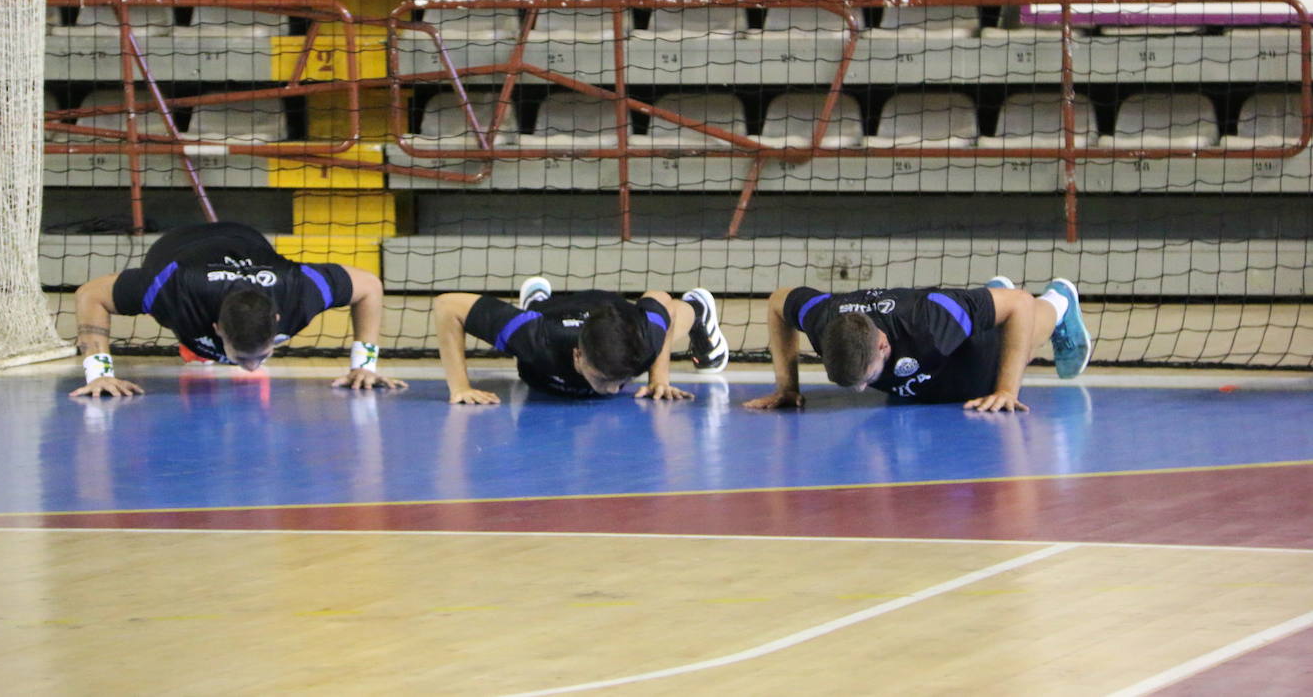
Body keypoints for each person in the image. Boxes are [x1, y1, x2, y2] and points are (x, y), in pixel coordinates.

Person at [70, 221, 406, 397]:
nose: (250, 368)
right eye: (243, 359)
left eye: (260, 356)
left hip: (244, 238)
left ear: (277, 322)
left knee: (214, 352)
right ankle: (196, 347)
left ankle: (202, 350)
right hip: (176, 249)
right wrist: (99, 374)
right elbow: (91, 295)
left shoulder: (298, 288)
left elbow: (369, 287)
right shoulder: (170, 289)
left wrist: (365, 366)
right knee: (197, 343)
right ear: (216, 327)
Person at [745, 276, 1091, 413]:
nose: (863, 389)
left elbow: (1019, 302)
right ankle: (985, 302)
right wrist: (787, 387)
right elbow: (778, 301)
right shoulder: (823, 318)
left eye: (866, 378)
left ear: (882, 344)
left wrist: (1006, 390)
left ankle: (1060, 302)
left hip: (969, 348)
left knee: (1015, 340)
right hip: (936, 357)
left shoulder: (929, 322)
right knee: (980, 311)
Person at [431, 276, 729, 405]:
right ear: (578, 356)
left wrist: (658, 377)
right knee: (527, 321)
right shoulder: (536, 339)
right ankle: (537, 303)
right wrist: (460, 387)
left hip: (616, 312)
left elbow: (659, 298)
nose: (612, 390)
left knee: (675, 314)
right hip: (552, 317)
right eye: (603, 379)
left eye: (620, 380)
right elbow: (447, 306)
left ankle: (699, 308)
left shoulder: (643, 343)